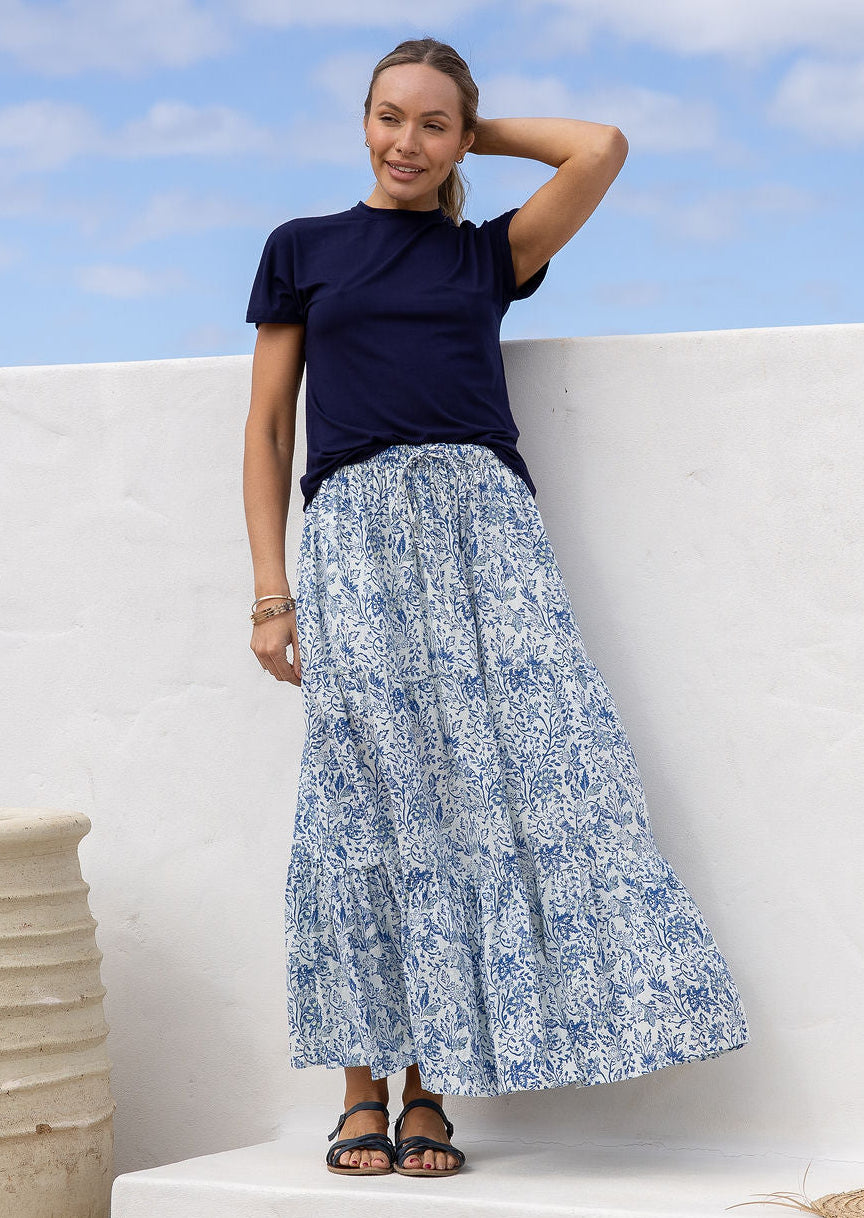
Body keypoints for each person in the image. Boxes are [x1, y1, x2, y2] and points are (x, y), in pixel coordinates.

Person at [242, 36, 751, 1180]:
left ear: (460, 136)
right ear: (359, 121)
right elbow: (270, 427)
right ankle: (360, 1088)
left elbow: (601, 147)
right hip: (359, 538)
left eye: (432, 123)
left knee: (494, 791)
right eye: (389, 117)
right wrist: (274, 594)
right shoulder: (303, 249)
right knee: (362, 799)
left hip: (489, 538)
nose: (406, 142)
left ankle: (432, 1094)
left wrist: (483, 130)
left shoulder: (489, 256)